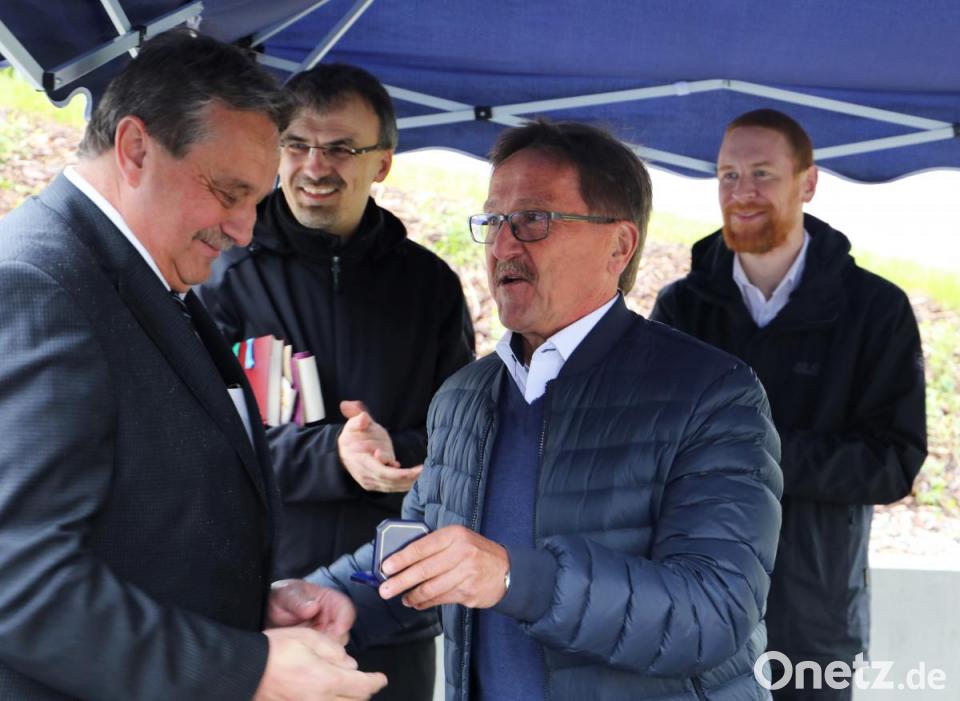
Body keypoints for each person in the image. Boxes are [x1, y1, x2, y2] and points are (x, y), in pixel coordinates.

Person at [291, 119, 783, 700]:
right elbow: (421, 548)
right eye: (493, 222)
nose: (502, 247)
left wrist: (512, 578)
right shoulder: (463, 397)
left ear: (619, 246)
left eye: (533, 220)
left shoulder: (712, 393)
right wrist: (333, 596)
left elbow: (716, 612)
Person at [0, 29, 386, 700]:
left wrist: (245, 602)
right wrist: (246, 667)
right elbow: (19, 580)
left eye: (256, 200)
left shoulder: (138, 274)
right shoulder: (39, 285)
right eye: (228, 192)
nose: (243, 229)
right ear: (135, 149)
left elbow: (137, 522)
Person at [197, 63, 473, 699]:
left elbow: (463, 437)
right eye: (296, 145)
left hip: (392, 601)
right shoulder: (220, 269)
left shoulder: (429, 286)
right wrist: (334, 457)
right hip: (265, 603)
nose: (315, 167)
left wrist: (394, 452)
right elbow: (200, 440)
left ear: (382, 164)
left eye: (342, 149)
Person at [651, 109, 926, 700]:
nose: (741, 192)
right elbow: (653, 451)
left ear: (808, 183)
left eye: (762, 173)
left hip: (814, 620)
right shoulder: (681, 309)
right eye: (728, 175)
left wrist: (753, 455)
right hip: (699, 610)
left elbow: (893, 462)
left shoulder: (875, 311)